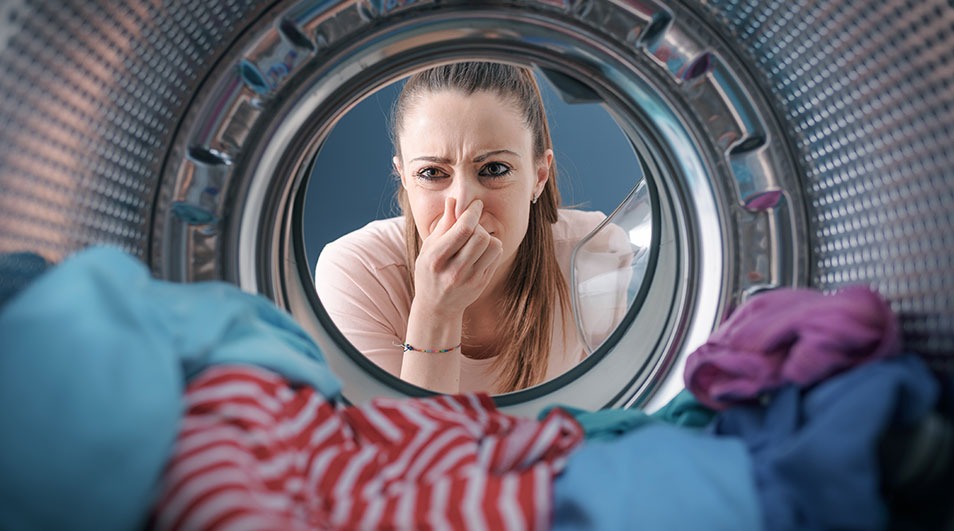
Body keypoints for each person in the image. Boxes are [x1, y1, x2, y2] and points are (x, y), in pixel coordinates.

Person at [315, 61, 632, 394]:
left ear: (539, 176)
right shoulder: (357, 272)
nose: (464, 203)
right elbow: (407, 443)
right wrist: (436, 312)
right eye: (433, 173)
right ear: (405, 177)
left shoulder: (595, 252)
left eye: (494, 169)